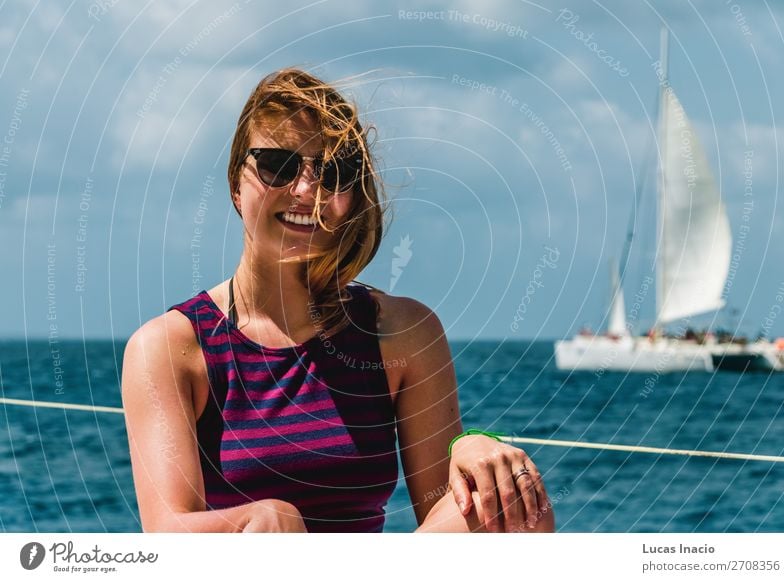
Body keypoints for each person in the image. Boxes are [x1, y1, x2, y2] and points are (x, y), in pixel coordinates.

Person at [121, 68, 554, 533]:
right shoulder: (170, 349)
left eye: (333, 172)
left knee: (517, 497)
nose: (308, 190)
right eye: (278, 165)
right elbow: (165, 534)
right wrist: (259, 518)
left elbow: (443, 509)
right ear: (235, 185)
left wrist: (470, 449)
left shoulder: (400, 334)